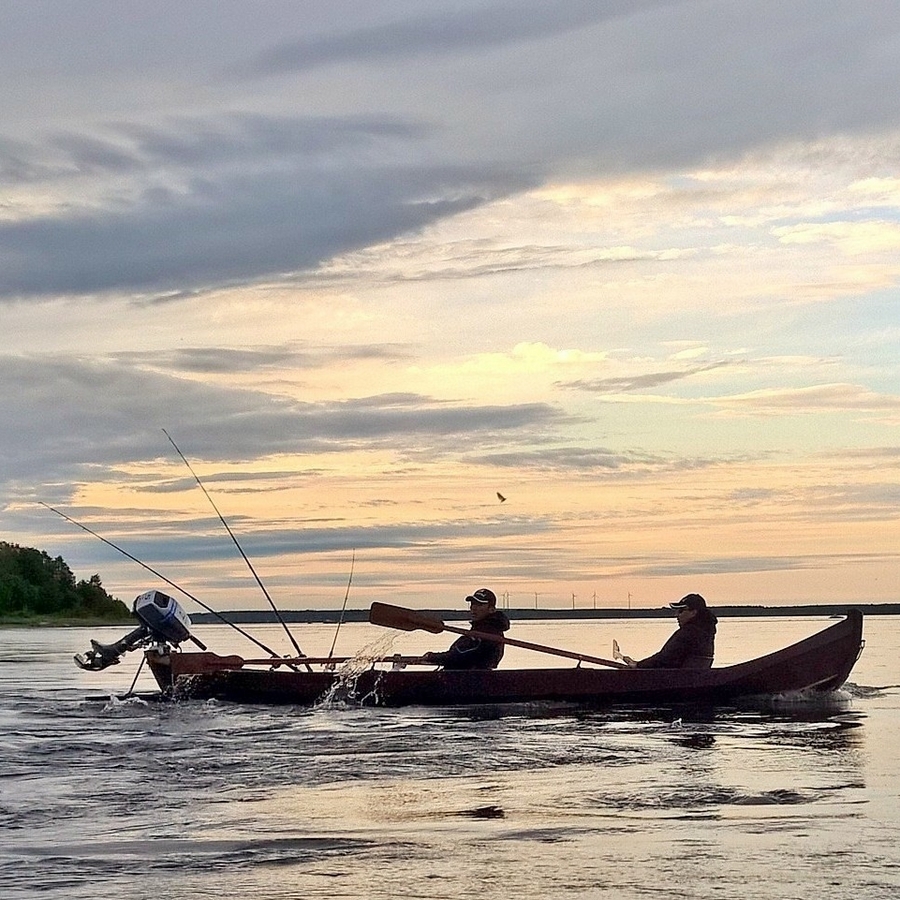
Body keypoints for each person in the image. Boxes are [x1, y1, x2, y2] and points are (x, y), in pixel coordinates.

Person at [422, 588, 511, 670]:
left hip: (471, 680)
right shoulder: (480, 629)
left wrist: (432, 657)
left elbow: (459, 655)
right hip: (467, 677)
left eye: (479, 604)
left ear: (491, 609)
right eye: (472, 604)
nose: (473, 608)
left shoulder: (488, 632)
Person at [623, 593, 717, 669]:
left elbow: (664, 658)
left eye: (681, 611)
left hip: (678, 680)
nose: (677, 615)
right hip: (692, 679)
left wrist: (638, 665)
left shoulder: (687, 633)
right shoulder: (707, 633)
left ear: (693, 612)